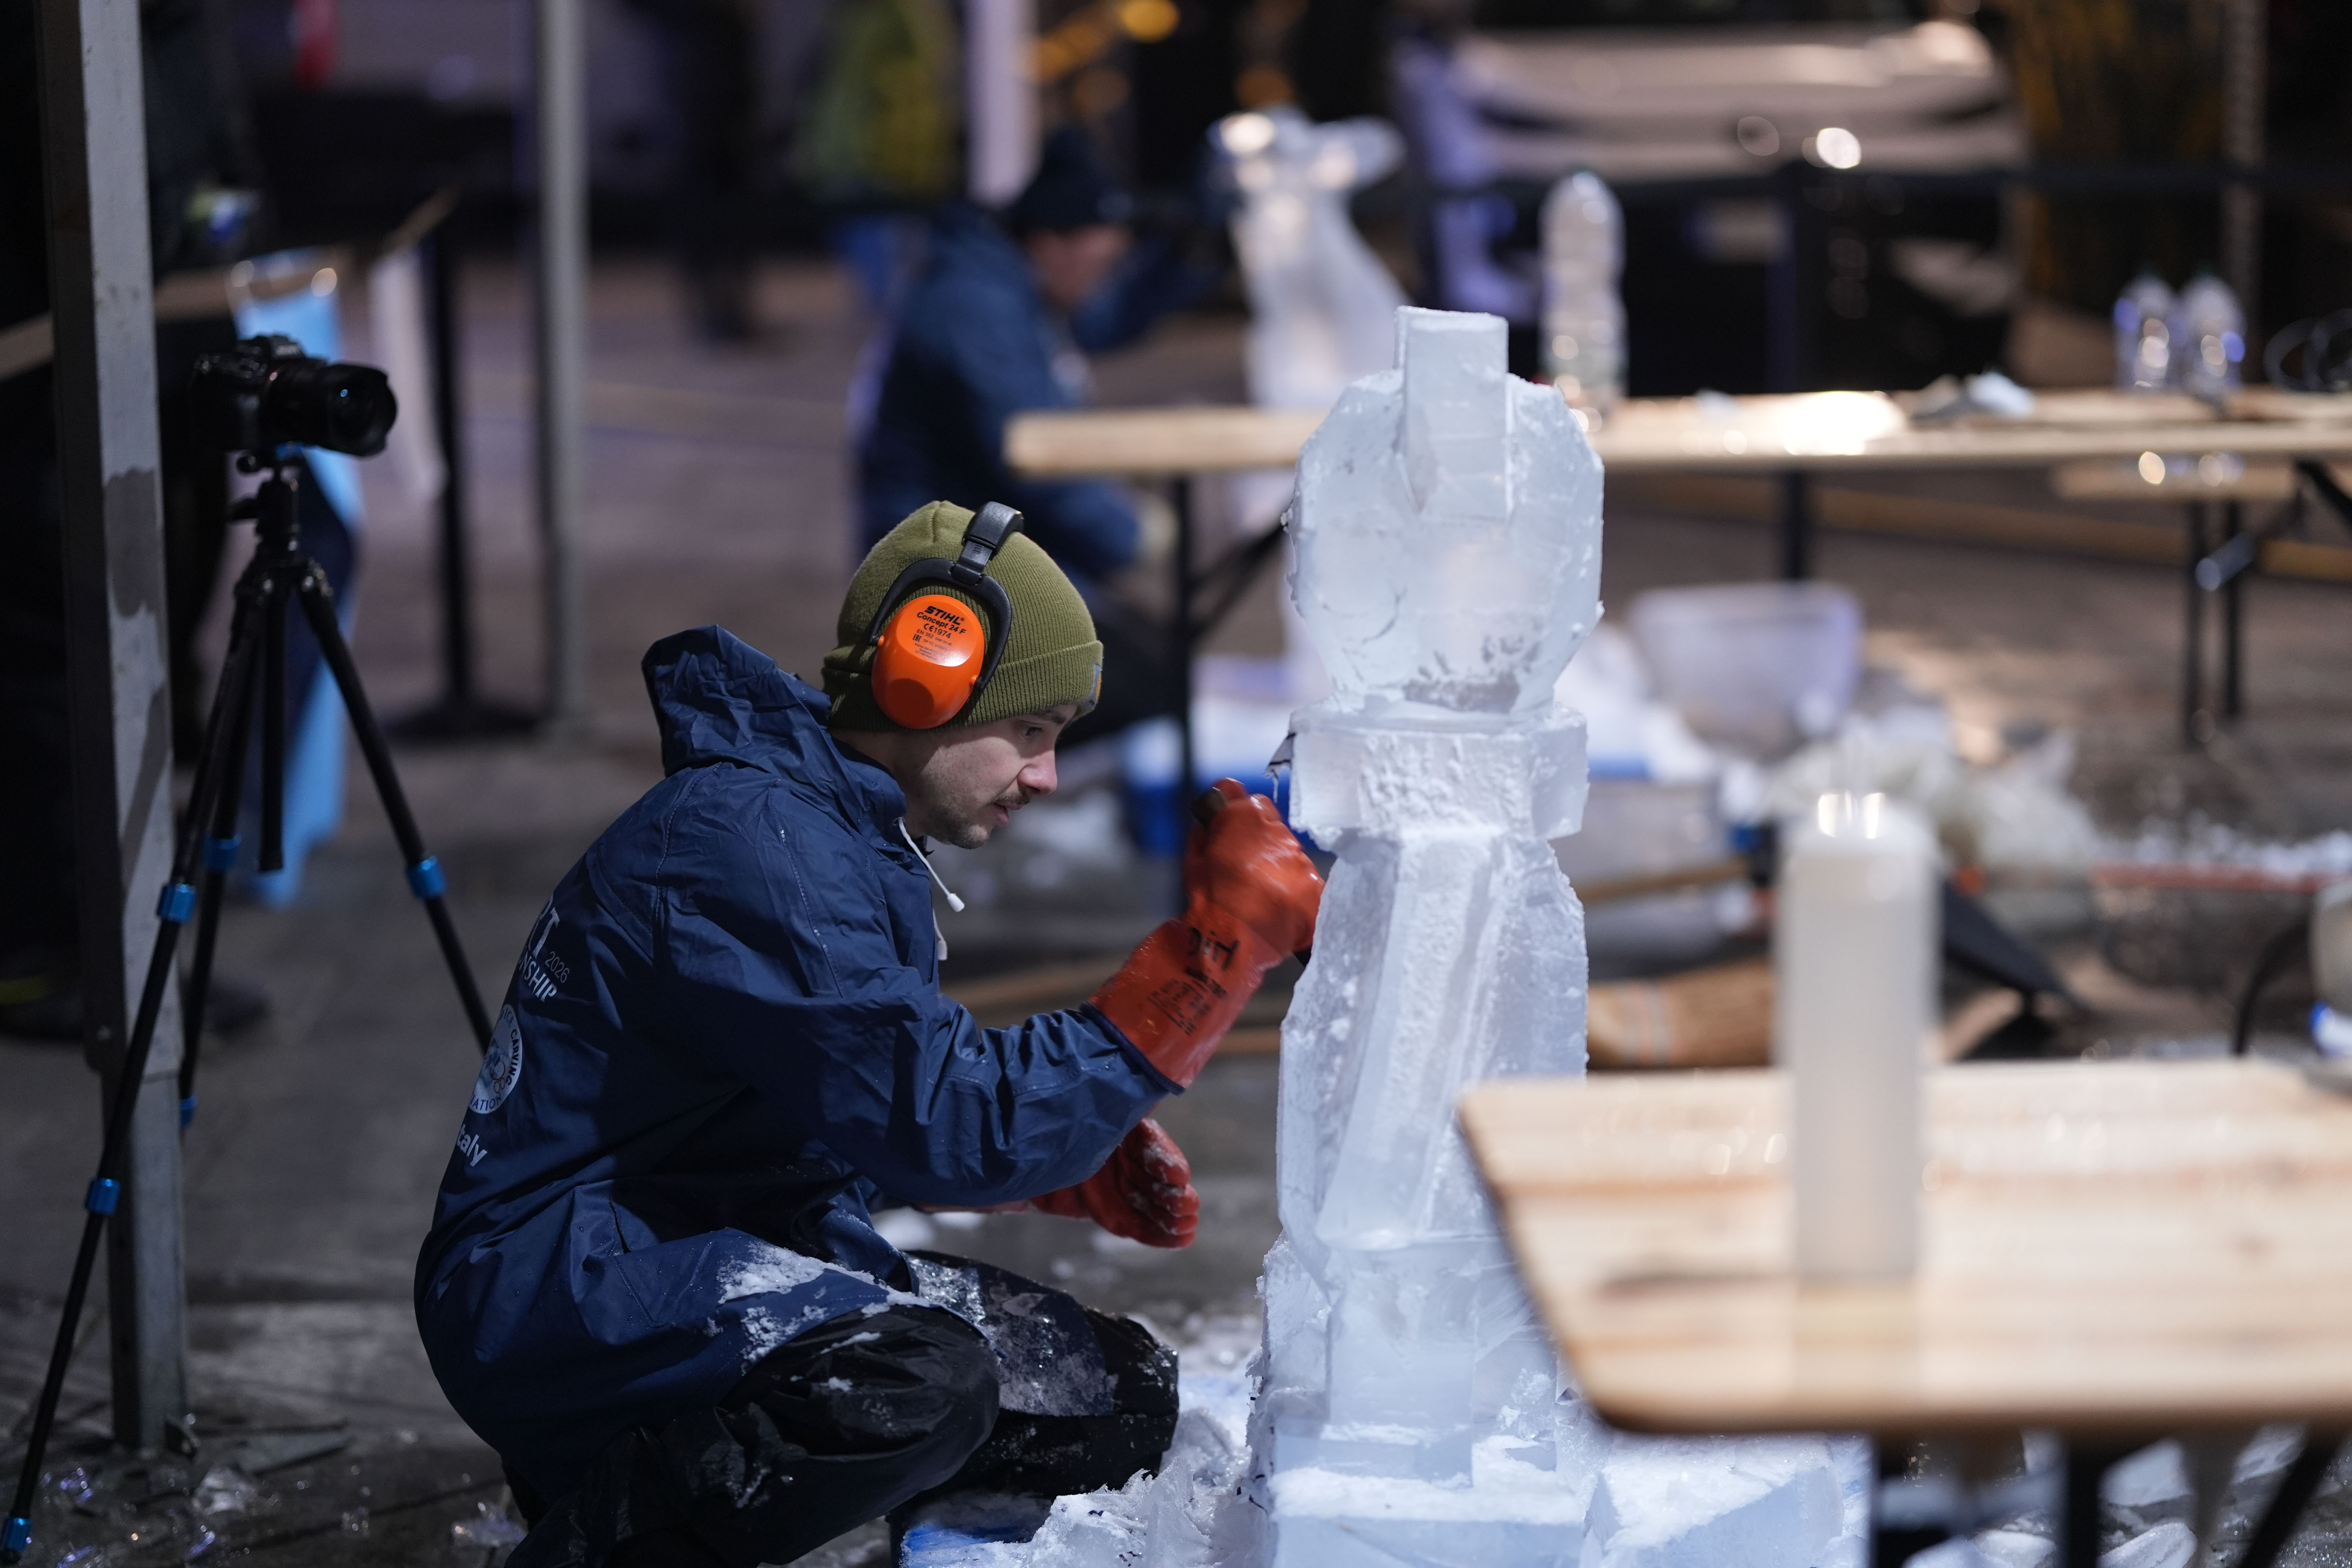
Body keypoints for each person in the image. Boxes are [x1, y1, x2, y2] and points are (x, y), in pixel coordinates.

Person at [415, 500, 1322, 1568]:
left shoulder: (837, 829)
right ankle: (602, 1531)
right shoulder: (750, 849)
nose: (1046, 775)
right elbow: (949, 1123)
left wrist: (1045, 1173)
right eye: (1032, 730)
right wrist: (1208, 958)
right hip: (562, 1285)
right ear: (923, 683)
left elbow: (832, 1094)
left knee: (1111, 1395)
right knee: (915, 1389)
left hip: (700, 1229)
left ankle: (655, 1465)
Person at [857, 129, 1216, 741]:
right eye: (1099, 263)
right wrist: (1128, 533)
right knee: (1142, 688)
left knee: (1160, 665)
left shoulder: (1015, 285)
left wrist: (1192, 248)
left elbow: (1111, 316)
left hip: (992, 552)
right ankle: (1004, 783)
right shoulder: (972, 307)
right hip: (939, 579)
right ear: (1051, 243)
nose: (1102, 279)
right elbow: (1027, 452)